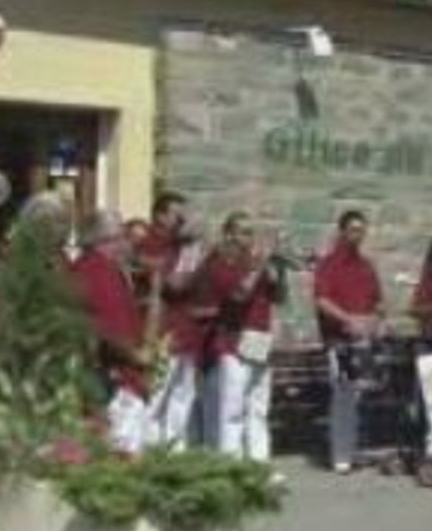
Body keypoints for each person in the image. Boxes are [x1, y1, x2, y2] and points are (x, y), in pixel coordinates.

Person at [199, 213, 285, 466]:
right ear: (229, 234)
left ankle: (259, 464)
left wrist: (278, 269)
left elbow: (279, 297)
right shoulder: (221, 263)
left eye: (251, 233)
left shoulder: (254, 263)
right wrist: (259, 266)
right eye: (244, 232)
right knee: (232, 409)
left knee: (258, 406)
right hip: (233, 341)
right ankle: (231, 466)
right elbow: (239, 295)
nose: (249, 239)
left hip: (259, 339)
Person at [72, 210, 153, 454]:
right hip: (113, 378)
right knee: (122, 454)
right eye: (122, 236)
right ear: (106, 239)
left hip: (122, 373)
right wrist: (135, 356)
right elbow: (100, 327)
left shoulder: (109, 269)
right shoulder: (93, 271)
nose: (127, 244)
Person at [314, 210, 384, 473]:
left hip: (363, 340)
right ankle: (341, 455)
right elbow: (322, 300)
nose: (358, 235)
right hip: (339, 340)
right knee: (342, 396)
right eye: (354, 230)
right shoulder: (328, 264)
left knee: (357, 398)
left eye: (362, 230)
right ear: (342, 231)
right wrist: (348, 318)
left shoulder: (366, 266)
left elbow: (378, 302)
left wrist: (374, 320)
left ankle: (352, 449)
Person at [133, 192, 203, 450]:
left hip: (186, 331)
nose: (182, 221)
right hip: (162, 332)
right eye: (177, 215)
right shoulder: (149, 243)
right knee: (156, 397)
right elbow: (174, 283)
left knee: (182, 398)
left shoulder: (181, 246)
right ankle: (147, 452)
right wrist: (189, 253)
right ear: (160, 215)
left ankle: (175, 453)